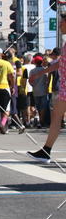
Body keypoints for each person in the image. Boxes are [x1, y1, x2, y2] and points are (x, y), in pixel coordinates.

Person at [29, 12, 66, 162]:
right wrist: (40, 73)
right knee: (56, 117)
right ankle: (46, 150)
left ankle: (46, 151)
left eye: (62, 23)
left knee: (56, 118)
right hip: (64, 86)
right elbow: (60, 64)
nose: (59, 26)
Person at [0, 47, 14, 135]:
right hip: (3, 87)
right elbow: (12, 75)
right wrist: (12, 86)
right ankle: (2, 124)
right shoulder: (6, 63)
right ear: (1, 55)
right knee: (5, 109)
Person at [29, 54, 51, 129]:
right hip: (43, 91)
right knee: (43, 107)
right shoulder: (45, 70)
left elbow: (30, 81)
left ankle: (38, 120)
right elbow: (47, 80)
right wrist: (46, 87)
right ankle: (41, 121)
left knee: (37, 106)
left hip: (35, 91)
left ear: (35, 62)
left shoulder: (32, 71)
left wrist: (33, 85)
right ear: (41, 62)